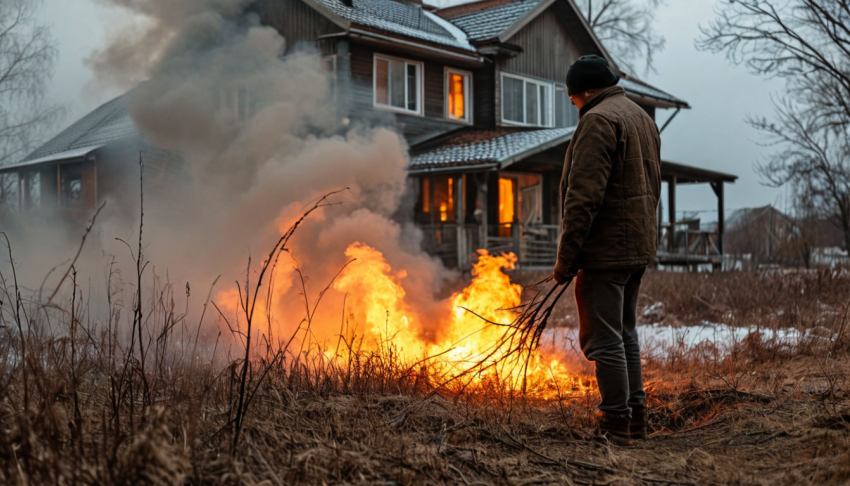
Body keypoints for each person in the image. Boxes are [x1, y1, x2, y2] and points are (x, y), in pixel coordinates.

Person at [553, 54, 661, 442]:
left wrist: (567, 259)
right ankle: (635, 419)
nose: (574, 105)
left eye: (572, 98)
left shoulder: (598, 120)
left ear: (584, 91)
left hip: (607, 249)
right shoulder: (641, 117)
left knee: (603, 338)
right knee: (624, 332)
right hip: (636, 247)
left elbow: (583, 197)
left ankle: (616, 424)